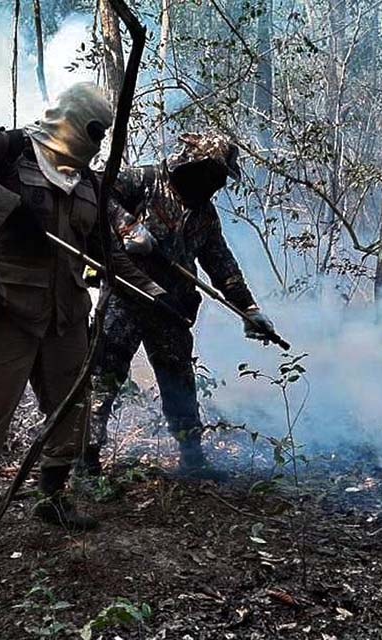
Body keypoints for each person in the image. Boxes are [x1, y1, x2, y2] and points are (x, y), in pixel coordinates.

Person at [0, 83, 166, 569]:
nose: (97, 142)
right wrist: (6, 209)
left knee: (70, 409)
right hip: (8, 313)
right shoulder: (9, 150)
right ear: (71, 120)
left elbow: (106, 252)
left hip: (66, 317)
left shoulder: (90, 184)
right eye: (93, 130)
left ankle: (51, 496)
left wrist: (153, 293)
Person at [84, 132, 276, 481]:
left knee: (179, 383)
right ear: (194, 164)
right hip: (126, 298)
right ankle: (87, 459)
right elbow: (96, 191)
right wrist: (127, 226)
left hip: (171, 308)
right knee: (103, 378)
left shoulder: (204, 215)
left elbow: (221, 263)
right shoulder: (142, 181)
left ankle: (192, 458)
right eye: (214, 174)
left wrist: (248, 309)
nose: (217, 184)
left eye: (221, 178)